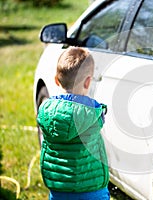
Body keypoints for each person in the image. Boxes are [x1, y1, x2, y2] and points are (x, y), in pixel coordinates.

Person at [37, 47, 110, 200]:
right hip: (92, 190)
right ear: (88, 82)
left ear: (56, 80)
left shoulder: (45, 111)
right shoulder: (94, 112)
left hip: (59, 189)